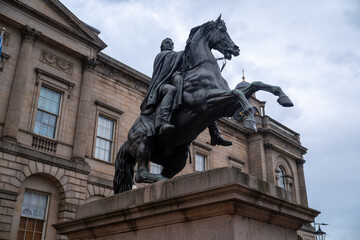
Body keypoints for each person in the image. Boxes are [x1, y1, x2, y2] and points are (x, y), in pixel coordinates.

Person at [140, 38, 232, 146]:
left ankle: (215, 134)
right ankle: (164, 122)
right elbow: (169, 69)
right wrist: (193, 48)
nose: (170, 45)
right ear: (162, 47)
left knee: (203, 102)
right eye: (167, 43)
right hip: (162, 86)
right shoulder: (163, 55)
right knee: (171, 90)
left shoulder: (175, 57)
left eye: (172, 43)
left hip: (177, 83)